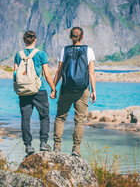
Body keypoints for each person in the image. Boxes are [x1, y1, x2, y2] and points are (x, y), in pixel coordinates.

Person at [53, 26, 96, 157]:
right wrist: (94, 91)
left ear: (71, 37)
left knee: (60, 118)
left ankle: (57, 146)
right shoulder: (89, 50)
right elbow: (92, 73)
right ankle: (76, 148)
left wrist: (53, 88)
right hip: (82, 89)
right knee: (80, 120)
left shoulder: (64, 50)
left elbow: (59, 71)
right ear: (82, 37)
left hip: (66, 88)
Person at [14, 30, 56, 156]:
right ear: (35, 39)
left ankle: (28, 146)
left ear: (24, 40)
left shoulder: (18, 54)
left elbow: (16, 74)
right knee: (44, 116)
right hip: (39, 90)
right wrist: (53, 88)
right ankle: (43, 143)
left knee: (25, 119)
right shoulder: (41, 54)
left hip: (24, 91)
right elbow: (47, 74)